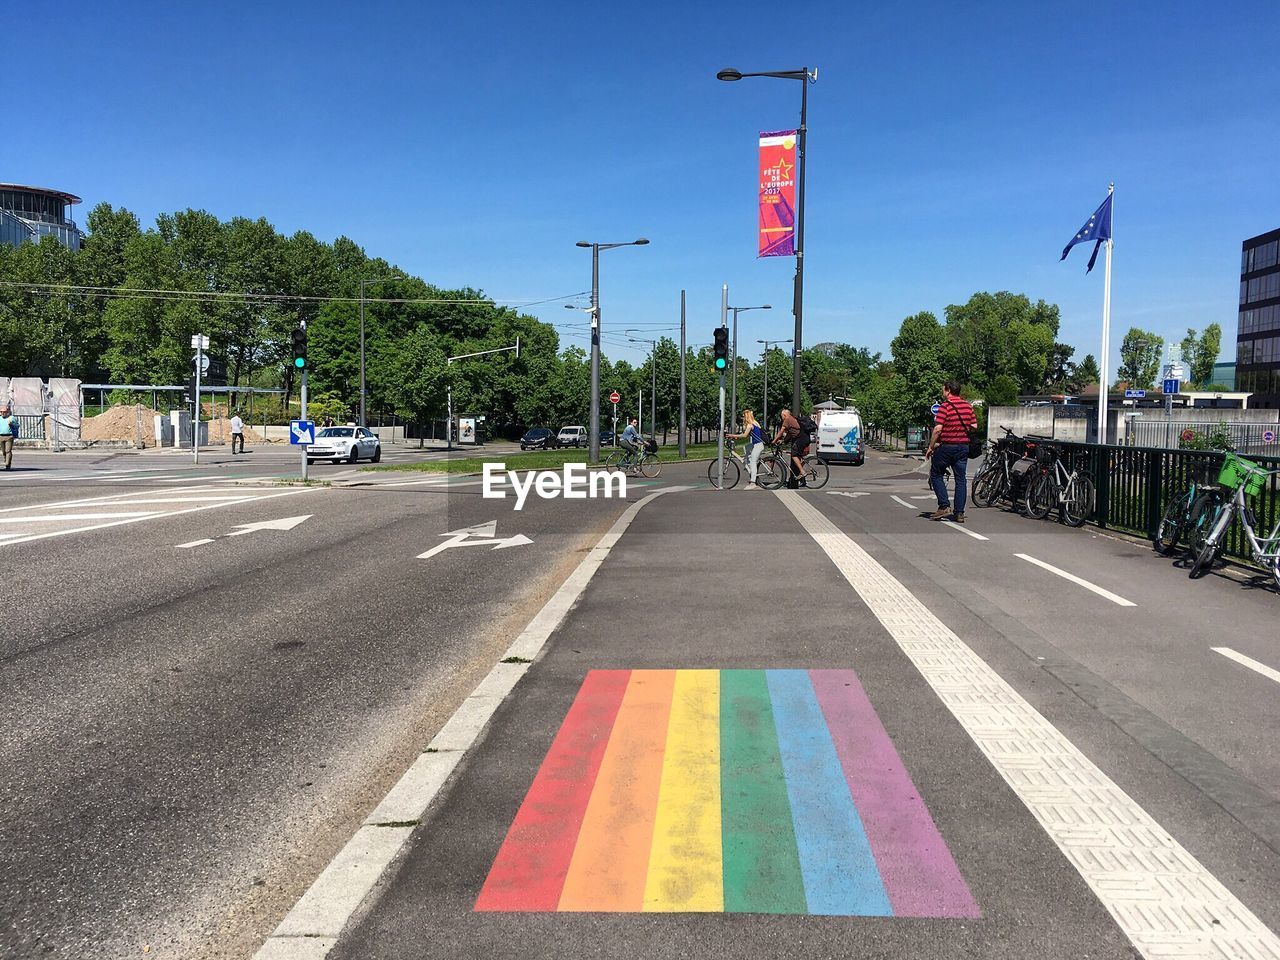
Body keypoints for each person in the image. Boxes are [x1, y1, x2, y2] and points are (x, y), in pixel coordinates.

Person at [926, 380, 977, 523]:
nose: (943, 393)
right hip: (963, 447)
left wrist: (931, 446)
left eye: (943, 390)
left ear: (948, 390)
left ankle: (944, 505)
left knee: (936, 474)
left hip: (947, 446)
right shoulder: (967, 406)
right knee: (961, 479)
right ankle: (959, 513)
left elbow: (937, 429)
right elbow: (974, 425)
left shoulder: (945, 406)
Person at [729, 409, 766, 489]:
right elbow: (747, 434)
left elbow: (745, 435)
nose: (743, 418)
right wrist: (736, 437)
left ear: (746, 416)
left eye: (743, 416)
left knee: (753, 462)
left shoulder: (750, 425)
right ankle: (748, 465)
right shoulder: (755, 422)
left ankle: (753, 483)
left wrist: (732, 435)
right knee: (746, 447)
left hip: (758, 445)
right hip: (755, 445)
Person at [772, 407, 808, 487]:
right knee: (797, 457)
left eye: (781, 416)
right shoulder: (791, 419)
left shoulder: (787, 420)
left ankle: (802, 472)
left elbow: (781, 432)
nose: (781, 418)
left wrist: (774, 440)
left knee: (794, 455)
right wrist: (782, 441)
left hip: (801, 439)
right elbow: (789, 434)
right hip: (803, 438)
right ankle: (802, 480)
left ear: (784, 415)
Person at [0, 403, 16, 471]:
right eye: (1, 412)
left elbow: (17, 425)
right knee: (3, 451)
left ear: (7, 412)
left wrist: (12, 424)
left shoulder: (11, 418)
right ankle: (5, 459)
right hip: (1, 436)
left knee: (8, 451)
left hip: (9, 436)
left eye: (4, 412)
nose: (2, 413)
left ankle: (7, 464)